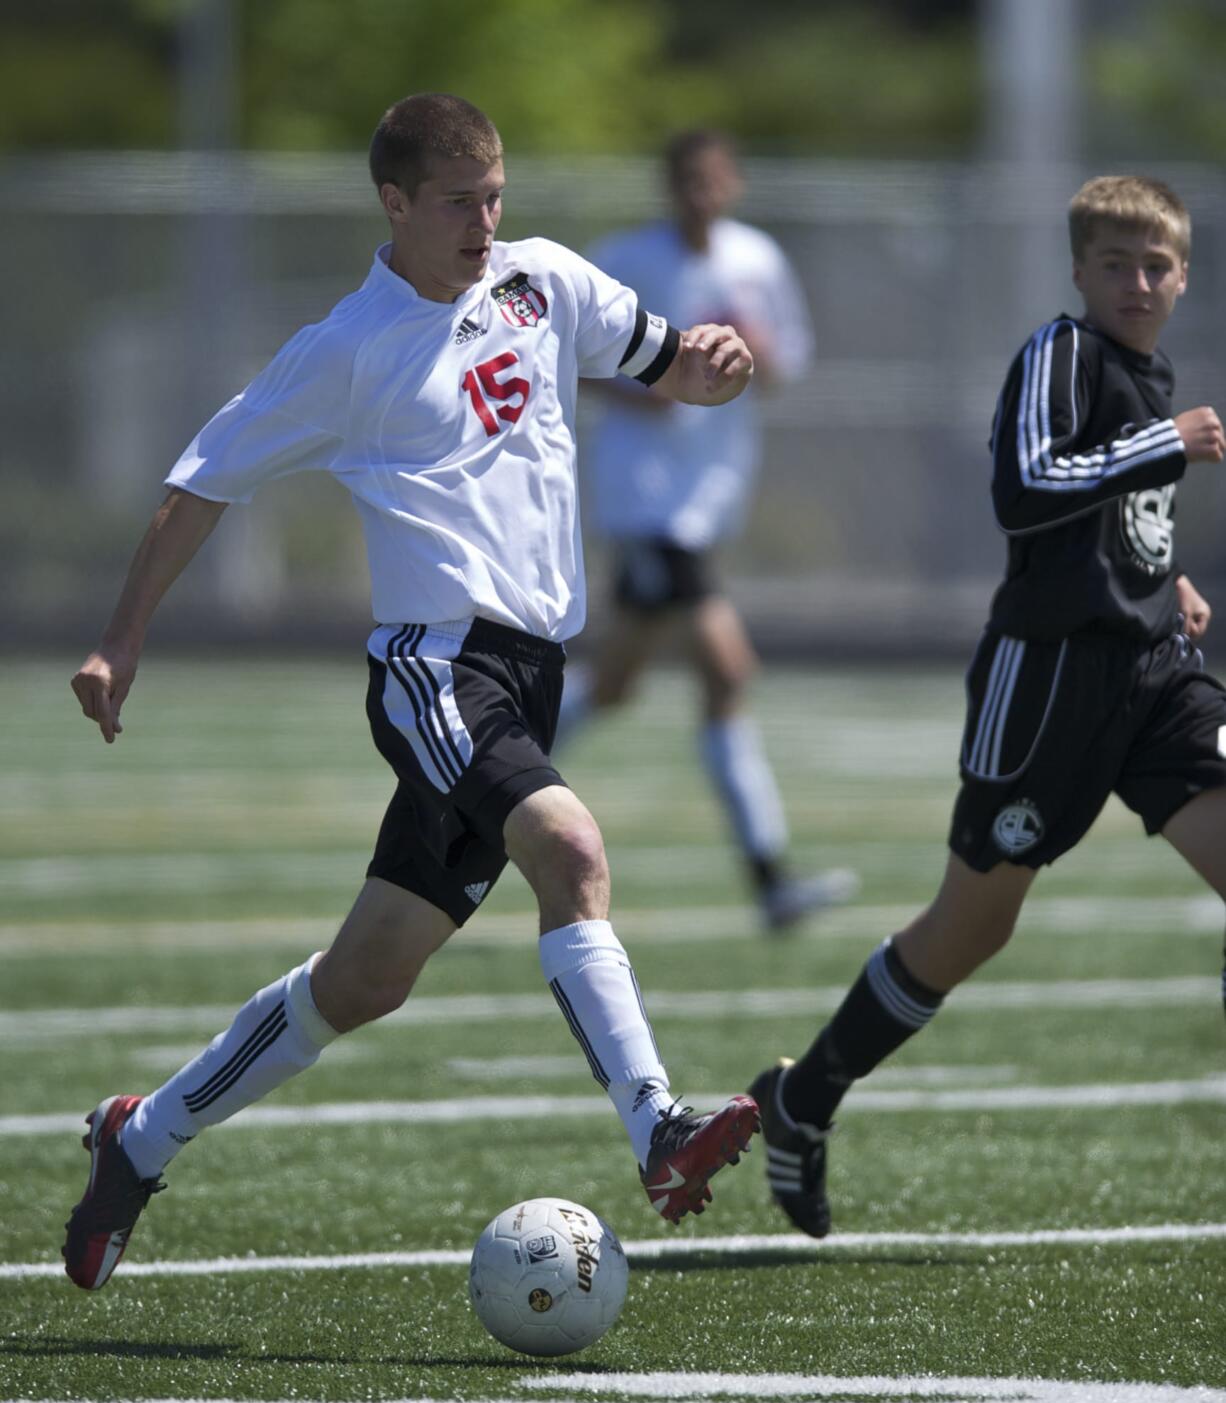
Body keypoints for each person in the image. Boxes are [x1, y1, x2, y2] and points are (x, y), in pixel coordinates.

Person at [62, 93, 765, 1291]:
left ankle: (142, 1136)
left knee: (364, 981)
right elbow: (199, 485)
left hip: (529, 677)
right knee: (571, 847)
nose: (484, 222)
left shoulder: (543, 280)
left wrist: (709, 371)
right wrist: (122, 639)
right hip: (434, 669)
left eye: (494, 195)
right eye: (457, 203)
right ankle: (655, 1128)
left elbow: (665, 364)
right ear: (393, 204)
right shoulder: (345, 349)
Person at [747, 174, 1226, 1238]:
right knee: (967, 929)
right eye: (1115, 264)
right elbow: (1024, 486)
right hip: (1047, 683)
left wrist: (1166, 578)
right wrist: (1159, 447)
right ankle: (801, 1097)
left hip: (1153, 678)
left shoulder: (1153, 371)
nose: (1136, 282)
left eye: (1155, 266)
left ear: (1182, 275)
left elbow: (1121, 521)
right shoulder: (1059, 353)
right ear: (1078, 271)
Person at [555, 130, 856, 931]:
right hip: (648, 501)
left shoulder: (755, 260)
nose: (701, 194)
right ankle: (771, 881)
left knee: (615, 685)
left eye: (714, 180)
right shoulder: (626, 257)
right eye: (687, 180)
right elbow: (560, 355)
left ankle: (479, 778)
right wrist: (640, 387)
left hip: (709, 499)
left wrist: (759, 358)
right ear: (668, 185)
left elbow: (786, 363)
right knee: (728, 671)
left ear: (735, 184)